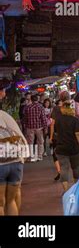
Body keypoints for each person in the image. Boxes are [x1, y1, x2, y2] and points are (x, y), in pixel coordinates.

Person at [0, 82, 29, 215]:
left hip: (1, 163)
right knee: (11, 201)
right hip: (16, 161)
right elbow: (21, 138)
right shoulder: (6, 116)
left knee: (1, 203)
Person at [54, 98, 79, 192]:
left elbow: (56, 132)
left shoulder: (58, 120)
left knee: (64, 168)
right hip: (74, 148)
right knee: (76, 168)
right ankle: (77, 189)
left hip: (61, 147)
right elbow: (78, 134)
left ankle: (66, 191)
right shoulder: (75, 120)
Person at [22, 94, 48, 162]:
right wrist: (45, 127)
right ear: (37, 99)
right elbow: (43, 118)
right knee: (40, 142)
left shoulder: (27, 107)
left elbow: (25, 118)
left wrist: (25, 126)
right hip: (39, 127)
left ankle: (31, 156)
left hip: (29, 127)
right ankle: (39, 156)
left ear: (31, 100)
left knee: (30, 142)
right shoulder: (41, 107)